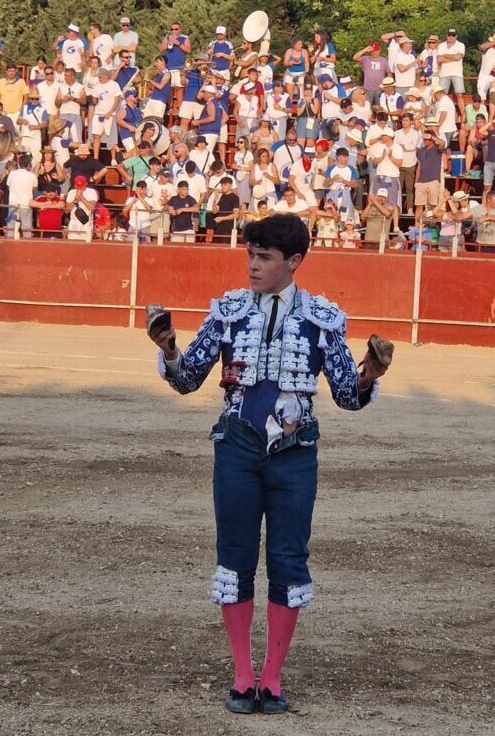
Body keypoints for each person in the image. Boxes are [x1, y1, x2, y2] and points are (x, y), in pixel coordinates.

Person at [151, 213, 388, 714]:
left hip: (295, 454)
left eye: (264, 258)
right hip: (236, 445)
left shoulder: (323, 318)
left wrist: (369, 373)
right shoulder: (228, 312)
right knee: (234, 554)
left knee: (287, 558)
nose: (253, 266)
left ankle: (273, 677)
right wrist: (169, 348)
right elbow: (189, 378)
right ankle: (243, 675)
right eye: (250, 256)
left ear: (294, 261)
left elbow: (346, 395)